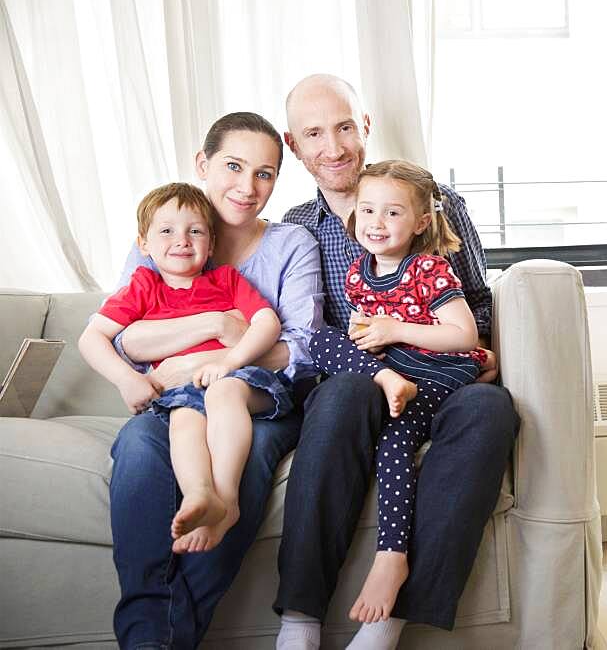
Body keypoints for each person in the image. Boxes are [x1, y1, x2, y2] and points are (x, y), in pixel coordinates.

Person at [274, 74, 519, 650]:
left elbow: (477, 305)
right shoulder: (295, 228)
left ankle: (387, 625)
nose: (332, 147)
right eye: (314, 134)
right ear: (294, 145)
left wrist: (481, 356)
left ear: (365, 126)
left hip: (442, 371)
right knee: (340, 393)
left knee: (490, 409)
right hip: (358, 378)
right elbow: (309, 333)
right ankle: (300, 620)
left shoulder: (437, 205)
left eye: (343, 127)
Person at [106, 112, 324, 648]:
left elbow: (302, 348)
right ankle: (145, 638)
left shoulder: (290, 243)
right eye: (233, 166)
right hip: (173, 398)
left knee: (244, 461)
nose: (247, 187)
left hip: (255, 399)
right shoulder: (162, 232)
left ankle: (168, 638)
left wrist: (219, 357)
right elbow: (124, 340)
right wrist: (212, 328)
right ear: (204, 164)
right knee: (137, 449)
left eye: (265, 174)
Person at [308, 159, 489, 625]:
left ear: (421, 222)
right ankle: (386, 379)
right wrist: (368, 338)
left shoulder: (429, 269)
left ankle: (392, 555)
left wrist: (395, 327)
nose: (376, 223)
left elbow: (463, 336)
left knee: (396, 435)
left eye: (392, 213)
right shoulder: (357, 273)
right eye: (367, 211)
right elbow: (361, 329)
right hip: (395, 368)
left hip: (436, 367)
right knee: (318, 339)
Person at [82, 182, 294, 554]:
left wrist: (229, 361)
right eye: (167, 231)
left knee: (223, 392)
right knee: (184, 417)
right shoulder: (143, 286)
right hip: (181, 391)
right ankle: (200, 494)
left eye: (194, 231)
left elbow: (267, 323)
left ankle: (226, 501)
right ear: (143, 244)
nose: (182, 240)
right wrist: (127, 380)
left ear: (211, 244)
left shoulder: (225, 280)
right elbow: (92, 337)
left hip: (238, 379)